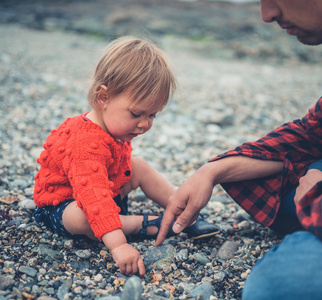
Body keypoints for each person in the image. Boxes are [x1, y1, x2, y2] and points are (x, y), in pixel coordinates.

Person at [156, 0, 322, 298]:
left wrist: (319, 196)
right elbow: (314, 133)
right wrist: (213, 171)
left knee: (272, 285)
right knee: (304, 172)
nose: (266, 14)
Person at [32, 37, 219, 276]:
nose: (144, 124)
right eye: (136, 113)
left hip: (105, 192)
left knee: (137, 166)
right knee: (83, 217)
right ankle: (144, 223)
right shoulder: (84, 142)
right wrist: (120, 246)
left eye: (153, 115)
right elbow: (94, 199)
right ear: (104, 98)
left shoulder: (114, 127)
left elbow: (113, 176)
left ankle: (184, 212)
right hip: (61, 206)